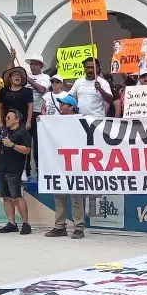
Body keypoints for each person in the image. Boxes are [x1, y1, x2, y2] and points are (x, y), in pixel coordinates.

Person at [46, 93, 88, 239]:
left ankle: (79, 227)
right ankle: (60, 226)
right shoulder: (55, 122)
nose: (60, 106)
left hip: (76, 163)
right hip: (59, 162)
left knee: (76, 197)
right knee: (59, 196)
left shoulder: (82, 120)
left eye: (63, 104)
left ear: (71, 107)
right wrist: (42, 121)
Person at [0, 109, 33, 234]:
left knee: (17, 197)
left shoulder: (23, 132)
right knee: (6, 197)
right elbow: (1, 148)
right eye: (5, 117)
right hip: (1, 167)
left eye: (8, 117)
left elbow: (27, 150)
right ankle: (11, 223)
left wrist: (12, 145)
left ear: (17, 119)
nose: (6, 119)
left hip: (14, 168)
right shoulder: (5, 132)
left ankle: (26, 223)